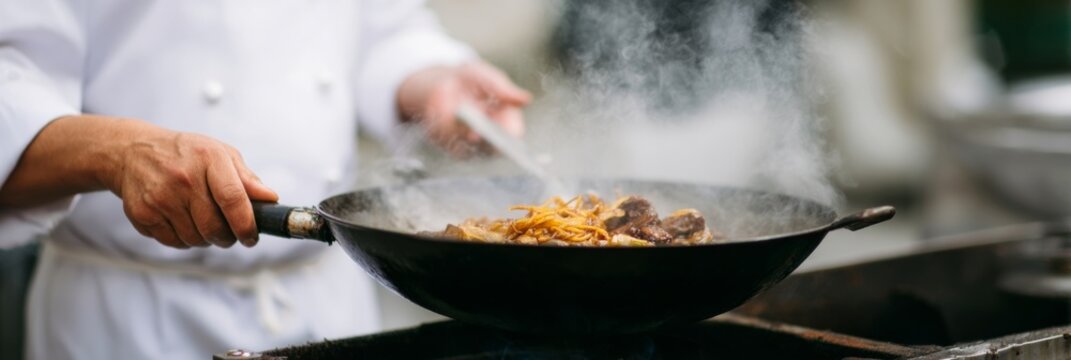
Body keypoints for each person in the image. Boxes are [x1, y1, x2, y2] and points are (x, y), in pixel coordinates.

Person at [0, 1, 530, 359]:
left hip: (331, 302)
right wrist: (119, 151)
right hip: (132, 320)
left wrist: (434, 81)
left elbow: (382, 29)